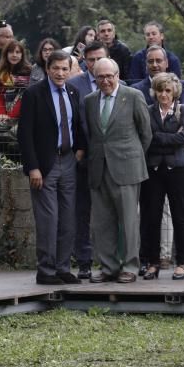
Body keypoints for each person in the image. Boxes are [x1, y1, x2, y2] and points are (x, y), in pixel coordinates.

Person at [17, 50, 86, 285]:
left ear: (70, 70)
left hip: (68, 161)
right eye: (55, 68)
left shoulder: (74, 92)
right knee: (49, 219)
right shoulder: (34, 94)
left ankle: (63, 267)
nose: (60, 73)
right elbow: (24, 134)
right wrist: (32, 167)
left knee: (68, 218)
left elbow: (77, 126)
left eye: (65, 69)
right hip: (44, 164)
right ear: (47, 69)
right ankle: (46, 270)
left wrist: (78, 151)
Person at [83, 58, 152, 283]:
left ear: (117, 74)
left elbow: (146, 134)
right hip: (98, 169)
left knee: (129, 221)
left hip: (127, 168)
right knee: (102, 222)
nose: (105, 81)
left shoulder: (133, 96)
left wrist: (130, 157)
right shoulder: (90, 100)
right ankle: (108, 267)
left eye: (109, 76)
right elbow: (93, 135)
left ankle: (130, 266)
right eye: (100, 77)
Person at [140, 73, 184, 281]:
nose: (163, 94)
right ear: (154, 91)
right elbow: (146, 138)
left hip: (178, 170)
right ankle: (152, 262)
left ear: (175, 92)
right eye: (160, 90)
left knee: (181, 215)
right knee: (151, 216)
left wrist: (159, 138)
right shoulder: (148, 110)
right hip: (153, 170)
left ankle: (183, 262)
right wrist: (169, 139)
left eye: (167, 90)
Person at [66, 41, 108, 278]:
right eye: (90, 60)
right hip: (82, 159)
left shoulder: (118, 84)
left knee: (108, 212)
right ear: (84, 61)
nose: (94, 64)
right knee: (81, 212)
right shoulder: (73, 85)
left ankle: (109, 261)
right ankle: (83, 261)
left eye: (98, 59)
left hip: (110, 161)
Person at [0, 40, 32, 121]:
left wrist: (10, 116)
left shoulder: (29, 71)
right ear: (6, 54)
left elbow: (24, 97)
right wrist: (2, 113)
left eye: (17, 52)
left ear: (22, 55)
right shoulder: (3, 72)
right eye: (11, 52)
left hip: (24, 116)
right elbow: (0, 95)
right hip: (5, 116)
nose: (14, 55)